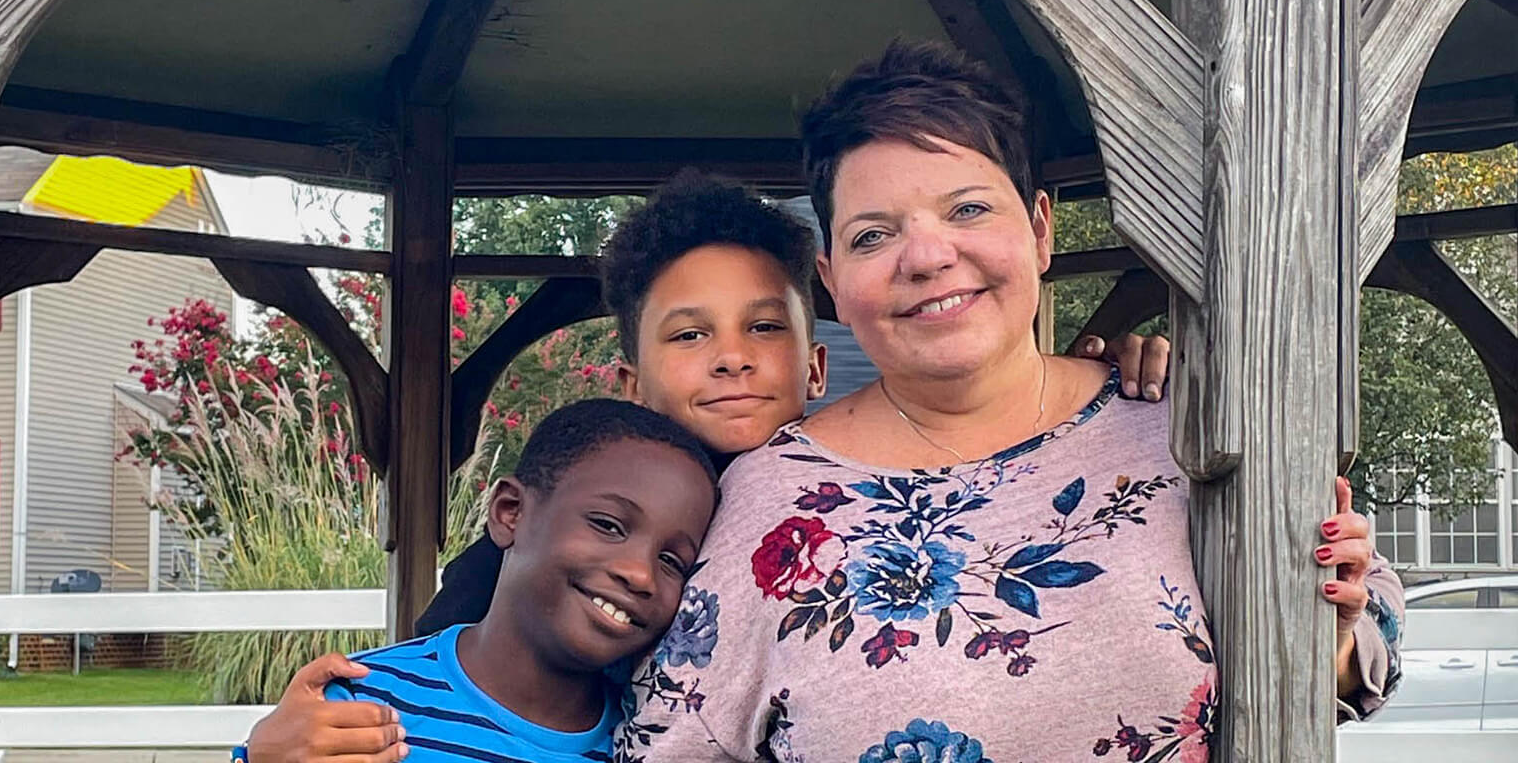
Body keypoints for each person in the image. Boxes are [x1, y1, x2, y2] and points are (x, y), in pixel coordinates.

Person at [615, 41, 1402, 761]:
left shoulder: (1184, 436)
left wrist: (1321, 641)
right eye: (872, 236)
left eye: (967, 209)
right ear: (831, 283)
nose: (926, 257)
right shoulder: (765, 500)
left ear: (1039, 229)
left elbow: (1360, 656)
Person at [241, 170, 1180, 762]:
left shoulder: (852, 501)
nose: (732, 357)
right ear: (630, 379)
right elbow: (443, 674)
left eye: (764, 328)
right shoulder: (555, 532)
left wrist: (1095, 377)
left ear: (815, 367)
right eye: (689, 335)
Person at [233, 399, 720, 763]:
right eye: (608, 525)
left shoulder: (655, 739)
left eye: (672, 561)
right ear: (511, 512)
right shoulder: (363, 709)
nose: (640, 573)